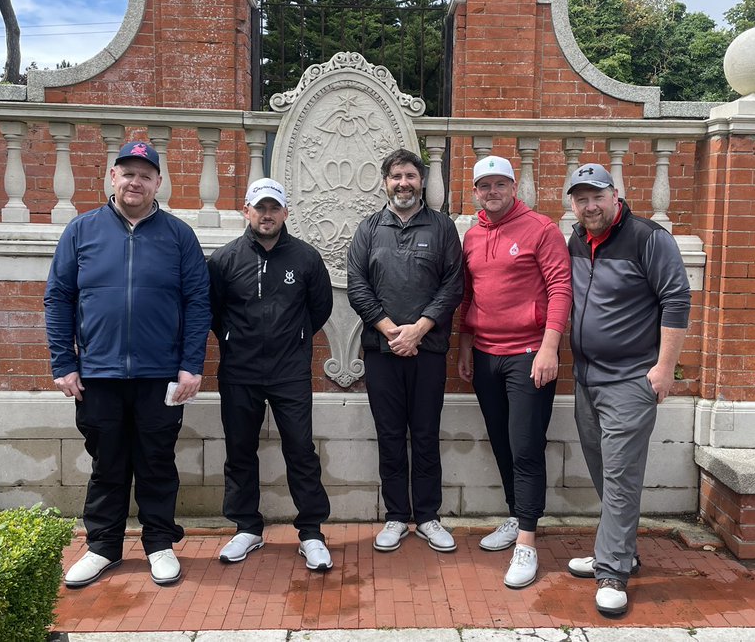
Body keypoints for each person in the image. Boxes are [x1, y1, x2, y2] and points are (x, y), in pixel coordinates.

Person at [45, 141, 210, 588]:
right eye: (127, 173)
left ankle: (159, 544)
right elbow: (58, 298)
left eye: (145, 174)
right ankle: (103, 547)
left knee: (157, 462)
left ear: (158, 182)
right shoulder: (82, 231)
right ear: (112, 177)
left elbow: (198, 304)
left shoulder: (179, 236)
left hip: (161, 376)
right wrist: (64, 363)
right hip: (99, 375)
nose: (135, 181)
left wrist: (190, 366)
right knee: (107, 463)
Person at [564, 163, 691, 616]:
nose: (589, 205)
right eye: (580, 199)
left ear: (614, 194)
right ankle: (620, 549)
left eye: (596, 196)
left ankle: (613, 570)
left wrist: (664, 368)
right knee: (603, 468)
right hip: (586, 378)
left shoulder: (648, 238)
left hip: (631, 379)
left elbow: (677, 299)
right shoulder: (576, 239)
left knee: (620, 475)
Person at [207, 178, 335, 571]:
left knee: (300, 450)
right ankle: (247, 527)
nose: (266, 215)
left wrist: (293, 338)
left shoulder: (306, 258)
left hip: (289, 371)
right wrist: (234, 339)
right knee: (240, 450)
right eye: (259, 207)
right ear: (246, 211)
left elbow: (320, 309)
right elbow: (212, 312)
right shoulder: (224, 260)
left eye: (274, 208)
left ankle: (311, 532)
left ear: (285, 213)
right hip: (239, 371)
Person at [456, 155, 571, 589]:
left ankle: (527, 540)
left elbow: (562, 288)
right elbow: (468, 296)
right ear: (476, 193)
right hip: (486, 355)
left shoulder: (541, 229)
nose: (492, 192)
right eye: (484, 186)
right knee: (502, 442)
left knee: (525, 446)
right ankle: (514, 514)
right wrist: (466, 345)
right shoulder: (471, 235)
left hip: (529, 355)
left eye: (499, 184)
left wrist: (549, 347)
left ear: (513, 186)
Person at [347, 148, 464, 553]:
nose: (403, 183)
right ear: (385, 182)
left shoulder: (443, 228)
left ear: (422, 182)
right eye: (396, 176)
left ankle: (428, 516)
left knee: (427, 434)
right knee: (391, 435)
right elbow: (357, 285)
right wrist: (389, 329)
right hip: (381, 351)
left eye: (411, 176)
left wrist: (418, 329)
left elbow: (453, 285)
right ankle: (396, 516)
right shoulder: (368, 229)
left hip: (428, 350)